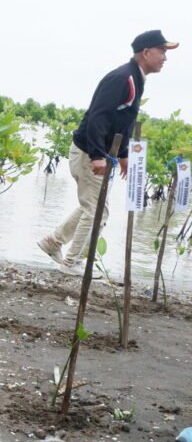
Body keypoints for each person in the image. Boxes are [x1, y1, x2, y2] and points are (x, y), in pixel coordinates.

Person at [38, 30, 178, 275]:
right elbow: (98, 117)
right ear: (146, 52)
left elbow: (120, 121)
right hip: (87, 152)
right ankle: (70, 264)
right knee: (97, 210)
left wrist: (123, 154)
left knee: (90, 206)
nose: (165, 57)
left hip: (96, 152)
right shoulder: (123, 78)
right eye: (162, 51)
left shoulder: (136, 78)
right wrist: (97, 156)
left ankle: (53, 242)